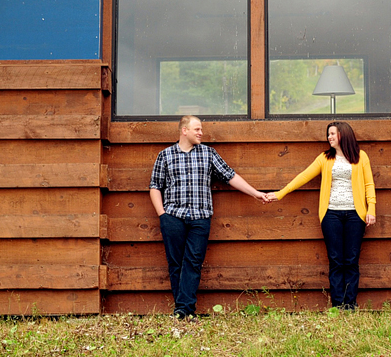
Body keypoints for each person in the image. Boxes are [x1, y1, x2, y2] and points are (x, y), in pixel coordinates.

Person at [150, 115, 269, 319]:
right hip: (173, 217)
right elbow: (155, 186)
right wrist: (162, 215)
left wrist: (256, 193)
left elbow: (230, 176)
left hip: (200, 218)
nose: (201, 133)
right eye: (196, 129)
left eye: (201, 129)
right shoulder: (165, 156)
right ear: (184, 130)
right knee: (176, 263)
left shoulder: (208, 154)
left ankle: (183, 310)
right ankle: (184, 310)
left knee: (193, 261)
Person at [267, 121, 376, 310]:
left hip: (355, 214)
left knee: (351, 260)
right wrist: (280, 193)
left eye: (332, 134)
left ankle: (350, 304)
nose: (329, 137)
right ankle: (337, 304)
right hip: (331, 214)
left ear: (343, 134)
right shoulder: (325, 158)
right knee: (335, 260)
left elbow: (369, 185)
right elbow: (303, 176)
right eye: (328, 135)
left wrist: (371, 209)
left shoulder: (361, 156)